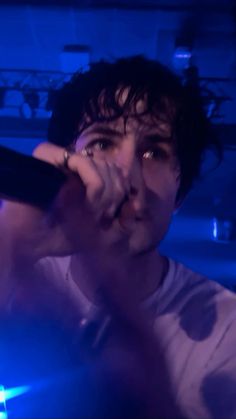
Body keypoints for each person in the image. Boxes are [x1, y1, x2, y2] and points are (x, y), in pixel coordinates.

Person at [0, 55, 236, 418]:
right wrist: (15, 243)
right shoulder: (18, 277)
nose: (127, 179)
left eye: (154, 152)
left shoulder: (228, 328)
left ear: (181, 195)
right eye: (103, 144)